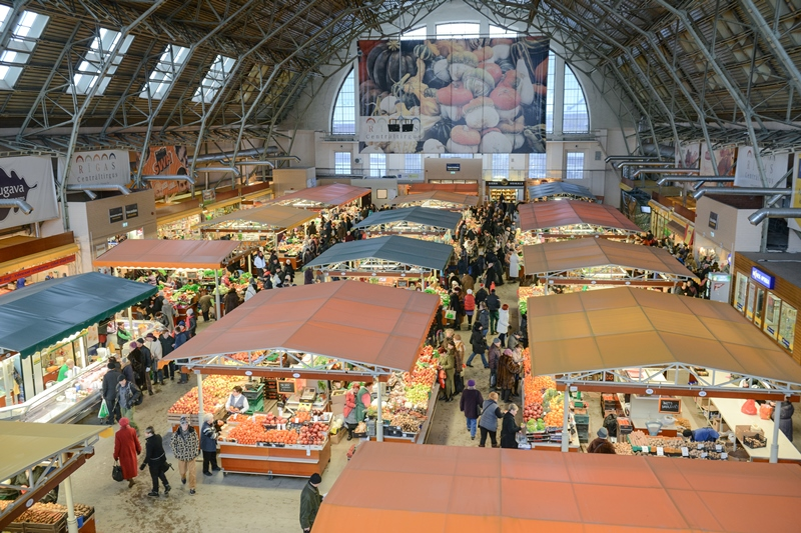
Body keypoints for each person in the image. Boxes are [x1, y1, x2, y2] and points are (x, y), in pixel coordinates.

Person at [172, 416, 200, 495]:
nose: (185, 426)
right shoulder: (176, 433)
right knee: (182, 471)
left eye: (186, 424)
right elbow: (172, 444)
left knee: (192, 472)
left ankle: (192, 487)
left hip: (191, 455)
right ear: (180, 424)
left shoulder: (193, 431)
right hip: (181, 456)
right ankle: (183, 477)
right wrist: (176, 453)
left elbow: (196, 441)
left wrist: (195, 451)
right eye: (183, 424)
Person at [140, 426, 170, 497]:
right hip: (161, 459)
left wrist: (143, 464)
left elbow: (148, 456)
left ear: (149, 433)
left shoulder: (149, 443)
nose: (145, 434)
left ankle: (155, 490)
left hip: (154, 462)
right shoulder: (158, 437)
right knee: (160, 472)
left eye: (146, 433)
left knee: (154, 476)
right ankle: (166, 485)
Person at [113, 417, 141, 488]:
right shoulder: (132, 430)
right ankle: (130, 477)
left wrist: (115, 455)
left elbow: (117, 446)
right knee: (131, 464)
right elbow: (136, 441)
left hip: (123, 453)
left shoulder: (118, 434)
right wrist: (138, 449)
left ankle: (130, 479)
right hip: (131, 450)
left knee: (125, 466)